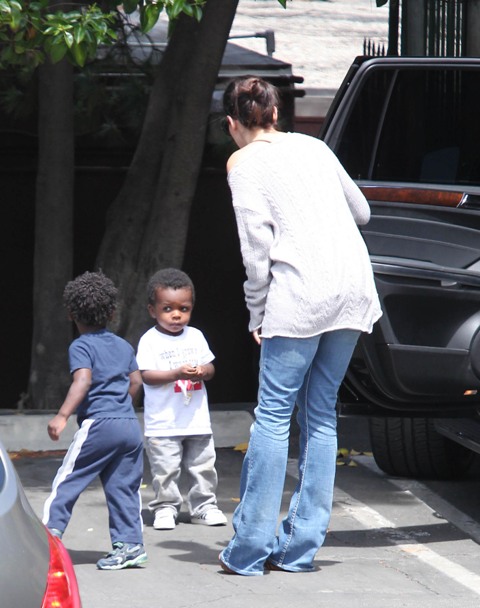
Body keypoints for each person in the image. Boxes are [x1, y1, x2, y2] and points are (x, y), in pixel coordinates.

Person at [218, 76, 382, 576]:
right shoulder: (314, 147)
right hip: (352, 289)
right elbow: (362, 211)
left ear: (232, 123)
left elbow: (256, 252)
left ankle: (249, 549)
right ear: (275, 113)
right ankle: (299, 548)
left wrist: (256, 312)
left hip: (301, 295)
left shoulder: (243, 163)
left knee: (272, 415)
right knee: (321, 413)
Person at [42, 271, 147, 571]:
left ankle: (47, 538)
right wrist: (122, 407)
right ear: (112, 313)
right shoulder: (124, 346)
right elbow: (136, 382)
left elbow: (83, 380)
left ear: (71, 314)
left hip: (99, 424)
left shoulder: (81, 346)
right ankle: (131, 546)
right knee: (124, 487)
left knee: (68, 481)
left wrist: (62, 415)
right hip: (129, 426)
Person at [136, 268, 227, 530]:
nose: (176, 315)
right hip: (163, 422)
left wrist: (203, 371)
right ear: (152, 310)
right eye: (167, 309)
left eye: (183, 309)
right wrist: (176, 373)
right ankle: (165, 507)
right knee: (165, 469)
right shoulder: (150, 340)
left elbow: (211, 368)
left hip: (196, 420)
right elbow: (146, 376)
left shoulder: (195, 336)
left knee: (203, 466)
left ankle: (204, 507)